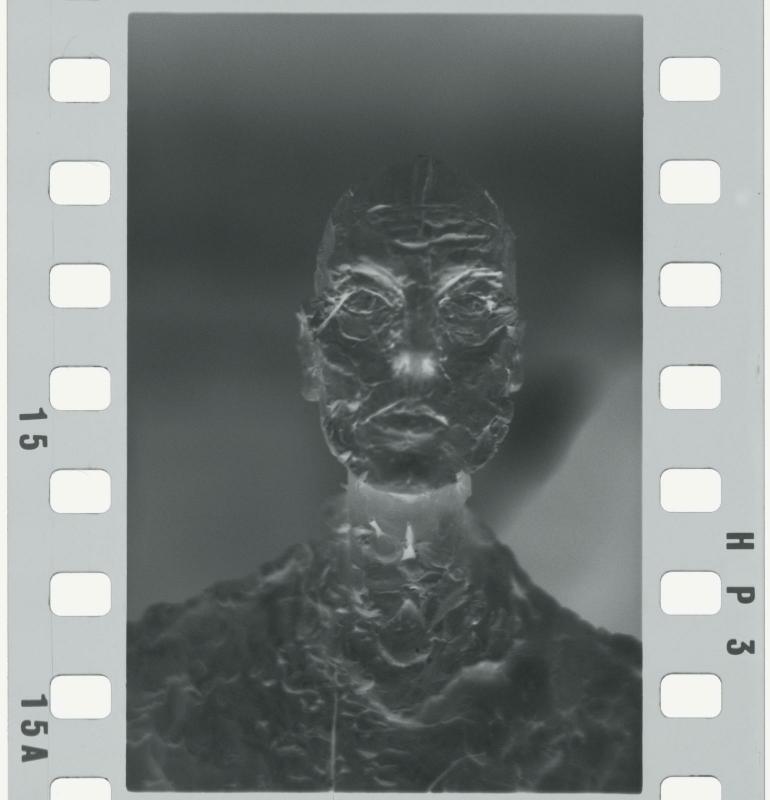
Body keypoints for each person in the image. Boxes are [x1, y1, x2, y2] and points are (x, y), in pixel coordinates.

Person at [127, 156, 641, 793]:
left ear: (510, 360)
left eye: (468, 305)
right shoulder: (160, 690)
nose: (417, 350)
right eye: (368, 304)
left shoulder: (618, 712)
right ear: (312, 355)